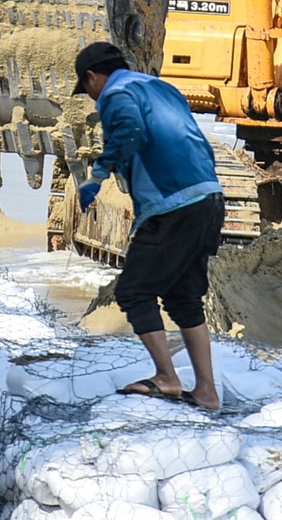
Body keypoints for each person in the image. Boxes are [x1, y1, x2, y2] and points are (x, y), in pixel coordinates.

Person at [73, 42, 224, 410]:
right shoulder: (163, 88)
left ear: (94, 77)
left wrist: (97, 174)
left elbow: (129, 129)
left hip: (173, 205)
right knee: (182, 297)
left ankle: (167, 378)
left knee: (134, 291)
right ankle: (206, 391)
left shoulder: (116, 94)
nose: (93, 99)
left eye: (87, 89)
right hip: (208, 198)